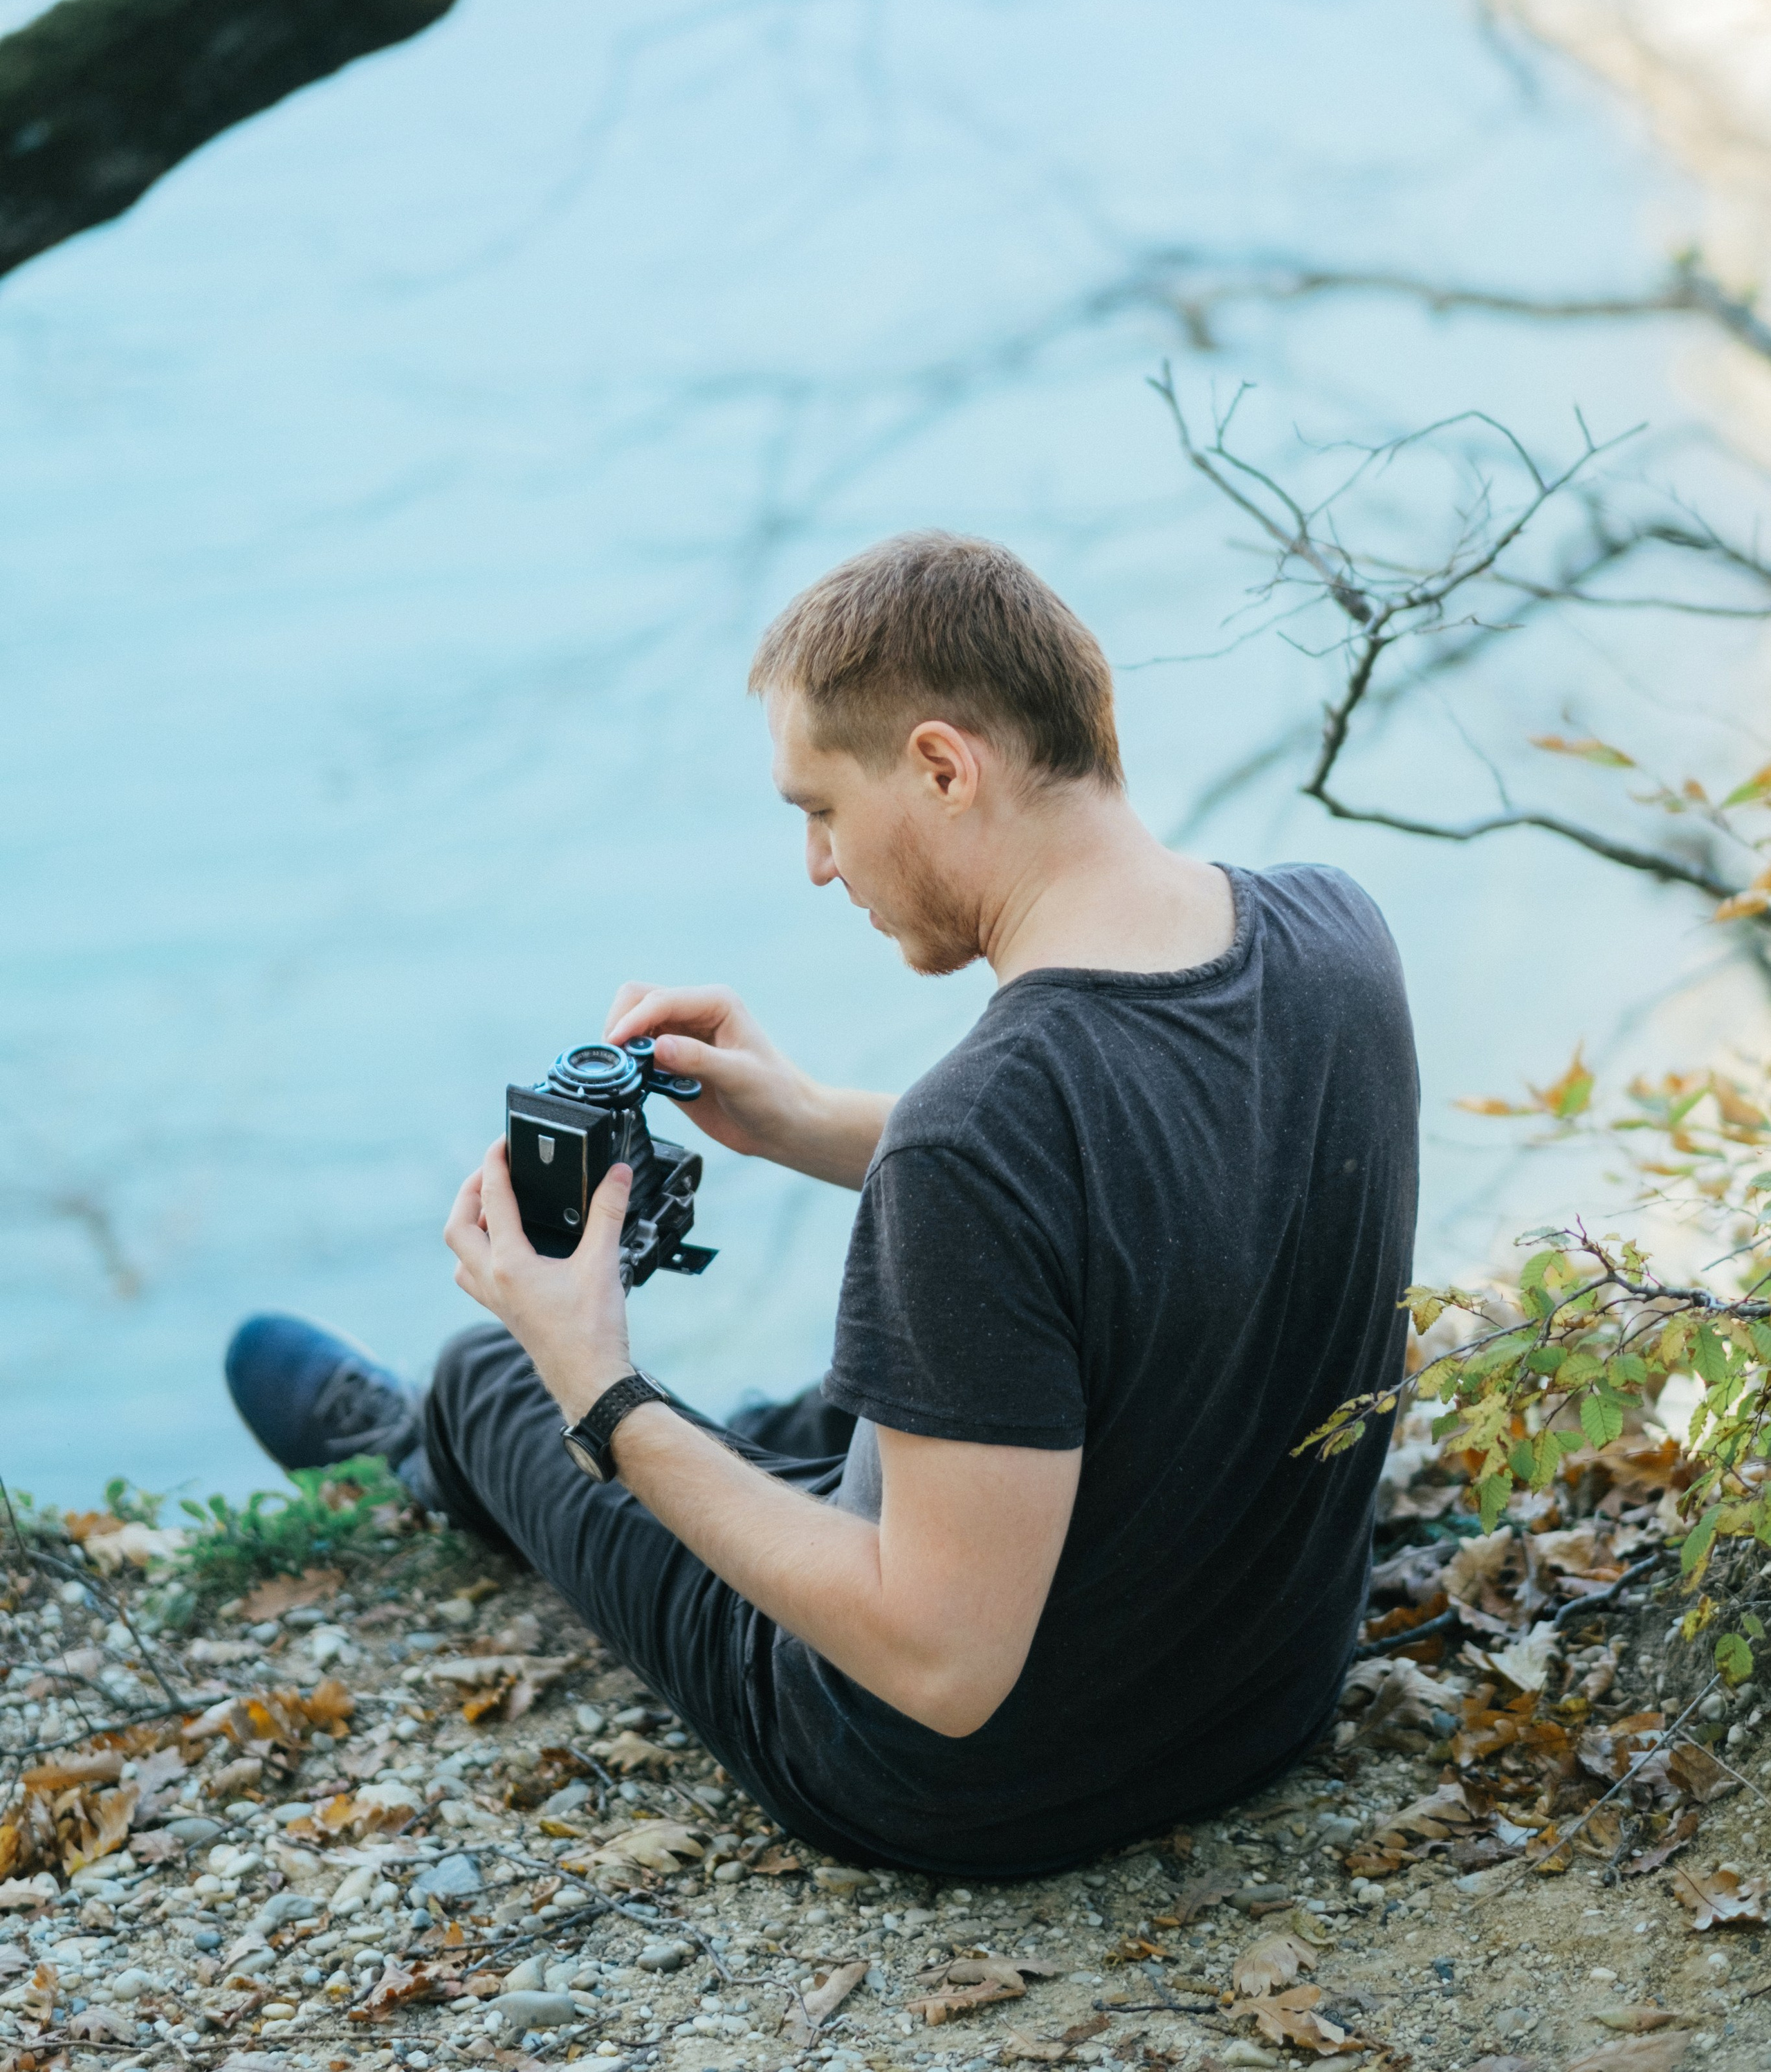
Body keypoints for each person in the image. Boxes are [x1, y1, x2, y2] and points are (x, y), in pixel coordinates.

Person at [226, 531, 1417, 1877]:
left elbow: (943, 1664)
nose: (814, 863)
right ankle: (738, 1447)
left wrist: (598, 1384)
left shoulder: (977, 1133)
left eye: (820, 810)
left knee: (496, 1380)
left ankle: (415, 1446)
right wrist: (802, 1121)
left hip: (961, 1779)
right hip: (1257, 1702)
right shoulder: (1331, 935)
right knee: (852, 1405)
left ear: (938, 766)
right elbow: (1152, 1179)